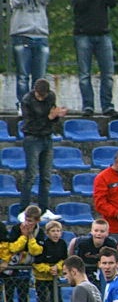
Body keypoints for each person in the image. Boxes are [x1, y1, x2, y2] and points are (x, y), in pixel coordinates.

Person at [71, 0, 117, 117]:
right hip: (83, 35)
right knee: (84, 74)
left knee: (108, 74)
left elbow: (113, 4)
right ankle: (88, 106)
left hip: (103, 34)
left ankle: (107, 106)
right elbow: (78, 8)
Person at [19, 78, 66, 215]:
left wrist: (57, 116)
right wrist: (49, 118)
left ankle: (44, 209)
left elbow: (52, 116)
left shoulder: (50, 96)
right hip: (32, 138)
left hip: (47, 138)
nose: (41, 98)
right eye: (39, 95)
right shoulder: (27, 100)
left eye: (43, 95)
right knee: (31, 175)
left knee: (46, 176)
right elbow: (30, 124)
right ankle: (24, 209)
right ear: (35, 91)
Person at [10, 0, 51, 104]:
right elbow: (16, 1)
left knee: (40, 77)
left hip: (40, 36)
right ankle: (23, 105)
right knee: (23, 76)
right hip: (22, 37)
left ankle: (38, 106)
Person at [5, 206, 44, 302]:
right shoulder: (16, 229)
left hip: (25, 270)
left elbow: (36, 251)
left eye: (31, 221)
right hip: (11, 269)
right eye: (26, 220)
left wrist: (31, 237)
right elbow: (13, 248)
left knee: (23, 296)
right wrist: (23, 236)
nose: (27, 223)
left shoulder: (40, 232)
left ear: (37, 221)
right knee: (8, 296)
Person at [32, 220, 67, 302]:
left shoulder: (62, 244)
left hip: (55, 278)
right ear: (47, 233)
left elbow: (64, 259)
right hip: (42, 278)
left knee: (57, 300)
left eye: (58, 231)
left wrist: (57, 267)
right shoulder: (43, 245)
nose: (56, 233)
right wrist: (48, 269)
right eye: (53, 231)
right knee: (41, 300)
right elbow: (37, 263)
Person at [68, 219, 117, 284]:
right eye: (96, 231)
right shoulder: (83, 242)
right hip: (84, 268)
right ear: (91, 231)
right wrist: (71, 259)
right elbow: (73, 241)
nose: (98, 233)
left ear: (107, 233)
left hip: (102, 269)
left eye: (102, 231)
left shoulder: (111, 244)